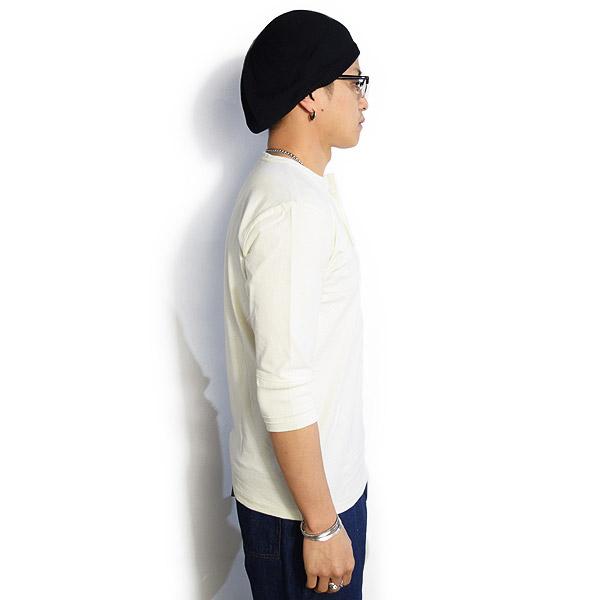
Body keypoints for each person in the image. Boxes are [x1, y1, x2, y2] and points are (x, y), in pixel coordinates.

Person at [223, 9, 370, 598]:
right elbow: (282, 382)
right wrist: (322, 524)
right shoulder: (290, 209)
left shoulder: (304, 190)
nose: (364, 99)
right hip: (301, 515)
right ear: (311, 95)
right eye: (355, 82)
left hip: (320, 496)